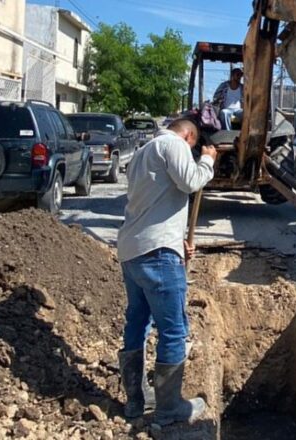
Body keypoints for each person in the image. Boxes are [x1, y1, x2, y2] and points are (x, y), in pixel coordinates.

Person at [116, 119, 217, 425]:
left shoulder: (142, 152)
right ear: (188, 136)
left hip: (134, 251)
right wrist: (207, 161)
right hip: (158, 255)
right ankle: (169, 407)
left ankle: (136, 401)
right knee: (173, 330)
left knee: (138, 322)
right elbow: (190, 181)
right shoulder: (174, 144)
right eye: (192, 145)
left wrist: (177, 242)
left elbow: (155, 202)